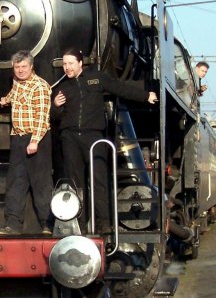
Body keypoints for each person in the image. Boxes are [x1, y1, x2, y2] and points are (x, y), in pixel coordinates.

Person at [52, 48, 156, 234]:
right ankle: (79, 224)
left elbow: (120, 88)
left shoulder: (97, 78)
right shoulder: (62, 87)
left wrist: (145, 96)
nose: (67, 68)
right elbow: (54, 117)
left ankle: (105, 222)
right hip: (70, 137)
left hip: (93, 136)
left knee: (99, 179)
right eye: (65, 64)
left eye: (70, 64)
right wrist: (56, 106)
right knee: (76, 183)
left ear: (80, 63)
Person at [0, 50, 53, 236]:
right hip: (18, 138)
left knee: (41, 182)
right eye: (17, 67)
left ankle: (48, 223)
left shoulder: (40, 86)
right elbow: (14, 95)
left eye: (23, 67)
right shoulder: (17, 83)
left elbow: (42, 117)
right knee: (16, 182)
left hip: (36, 139)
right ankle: (13, 225)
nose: (20, 70)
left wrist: (34, 141)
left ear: (31, 67)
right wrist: (6, 100)